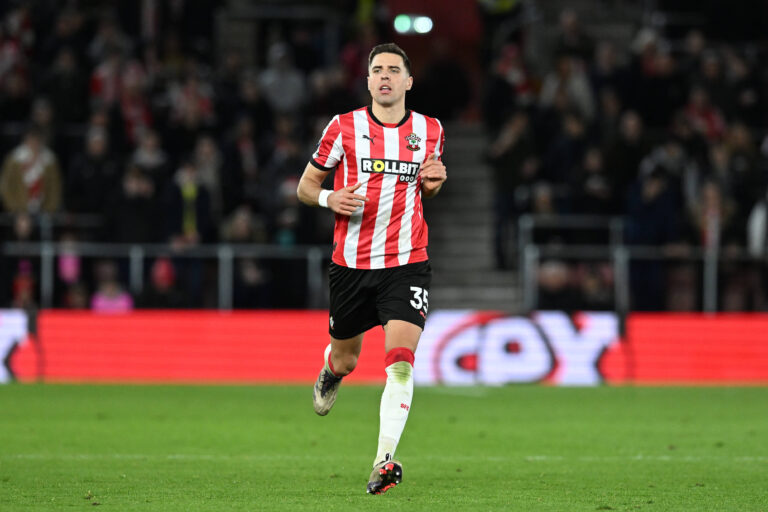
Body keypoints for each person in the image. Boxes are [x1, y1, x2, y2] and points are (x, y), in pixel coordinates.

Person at [296, 43, 447, 495]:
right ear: (367, 81)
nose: (384, 76)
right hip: (352, 265)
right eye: (376, 69)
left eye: (392, 70)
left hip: (407, 262)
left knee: (400, 363)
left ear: (408, 81)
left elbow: (429, 188)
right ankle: (331, 370)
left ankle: (383, 460)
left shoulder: (430, 130)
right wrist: (329, 199)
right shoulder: (343, 127)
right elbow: (306, 186)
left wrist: (434, 185)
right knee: (347, 357)